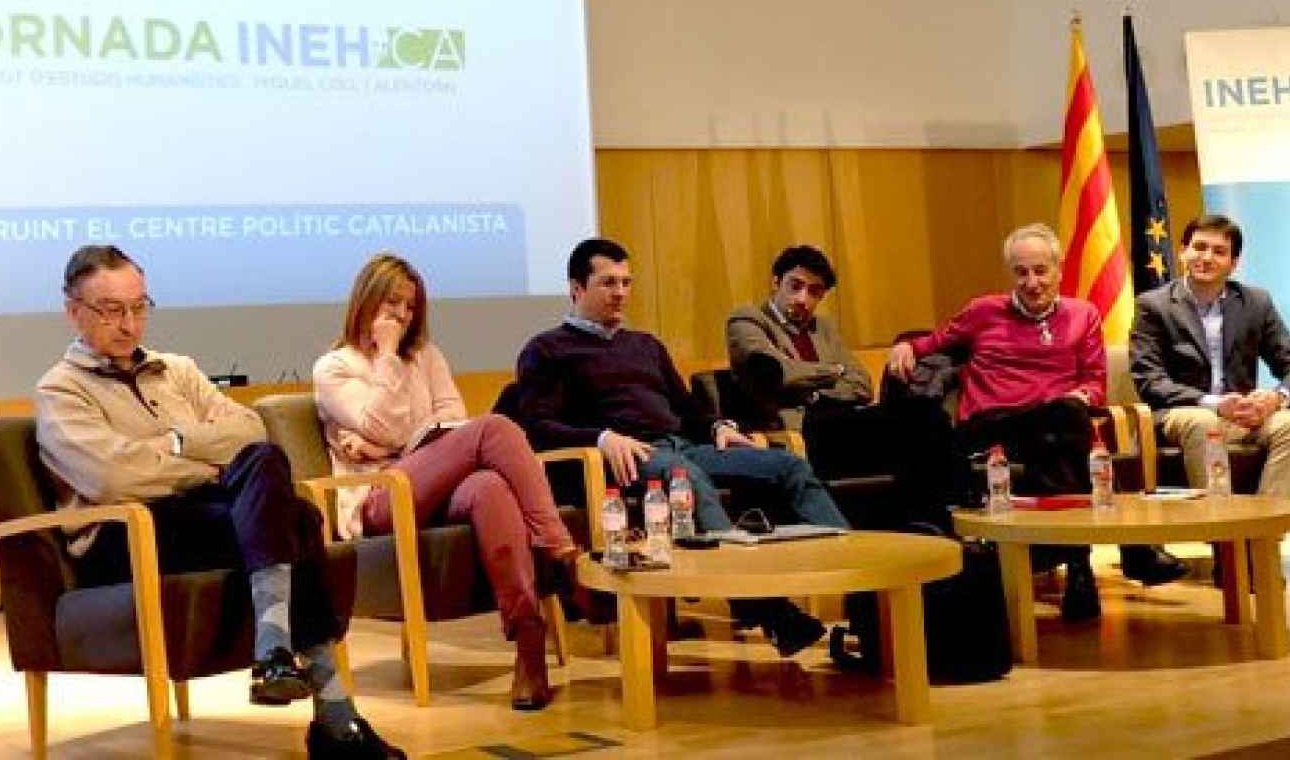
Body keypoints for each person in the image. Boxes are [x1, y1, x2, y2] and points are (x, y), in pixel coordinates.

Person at [35, 246, 403, 760]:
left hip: (203, 517)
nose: (129, 323)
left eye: (140, 307)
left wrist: (172, 447)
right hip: (126, 539)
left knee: (272, 473)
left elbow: (249, 429)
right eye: (112, 310)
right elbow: (112, 476)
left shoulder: (176, 370)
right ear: (73, 310)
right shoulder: (60, 390)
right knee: (294, 517)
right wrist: (199, 457)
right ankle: (333, 714)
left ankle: (276, 654)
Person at [513, 237, 848, 657]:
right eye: (608, 283)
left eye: (626, 282)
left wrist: (718, 427)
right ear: (576, 288)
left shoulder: (646, 345)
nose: (620, 293)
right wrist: (602, 437)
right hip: (627, 456)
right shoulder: (546, 350)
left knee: (787, 466)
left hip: (683, 444)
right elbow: (538, 427)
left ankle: (863, 594)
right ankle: (774, 615)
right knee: (686, 479)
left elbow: (687, 409)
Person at [313, 253, 580, 710]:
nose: (400, 315)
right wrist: (388, 358)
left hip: (435, 483)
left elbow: (452, 421)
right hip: (380, 500)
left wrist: (391, 444)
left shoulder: (427, 357)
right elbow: (385, 426)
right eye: (391, 303)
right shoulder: (334, 367)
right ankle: (559, 547)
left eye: (410, 307)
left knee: (489, 488)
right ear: (367, 301)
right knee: (495, 427)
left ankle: (528, 640)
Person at [887, 224, 1186, 622]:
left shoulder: (1083, 315)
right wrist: (905, 346)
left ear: (1059, 270)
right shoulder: (983, 311)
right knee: (1067, 427)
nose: (1032, 282)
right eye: (1021, 272)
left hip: (1053, 426)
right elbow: (930, 344)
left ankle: (1080, 569)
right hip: (990, 426)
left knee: (1061, 435)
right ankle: (1125, 553)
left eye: (1041, 271)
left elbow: (1094, 383)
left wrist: (1081, 398)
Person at [726, 245, 957, 529]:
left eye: (814, 292)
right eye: (795, 286)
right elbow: (774, 373)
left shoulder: (823, 328)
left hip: (840, 420)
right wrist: (834, 371)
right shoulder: (747, 321)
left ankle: (935, 518)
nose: (803, 299)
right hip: (799, 428)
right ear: (776, 282)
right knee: (910, 425)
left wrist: (812, 387)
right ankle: (934, 515)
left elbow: (861, 384)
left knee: (922, 412)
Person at [1129, 214, 1290, 499]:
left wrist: (1276, 398)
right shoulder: (1154, 306)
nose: (1206, 257)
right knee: (1204, 424)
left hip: (1242, 416)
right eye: (1199, 247)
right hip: (1181, 414)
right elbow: (1150, 380)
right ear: (1183, 251)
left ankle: (1263, 528)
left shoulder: (1256, 303)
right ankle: (1225, 533)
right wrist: (1214, 404)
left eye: (1219, 252)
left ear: (1234, 264)